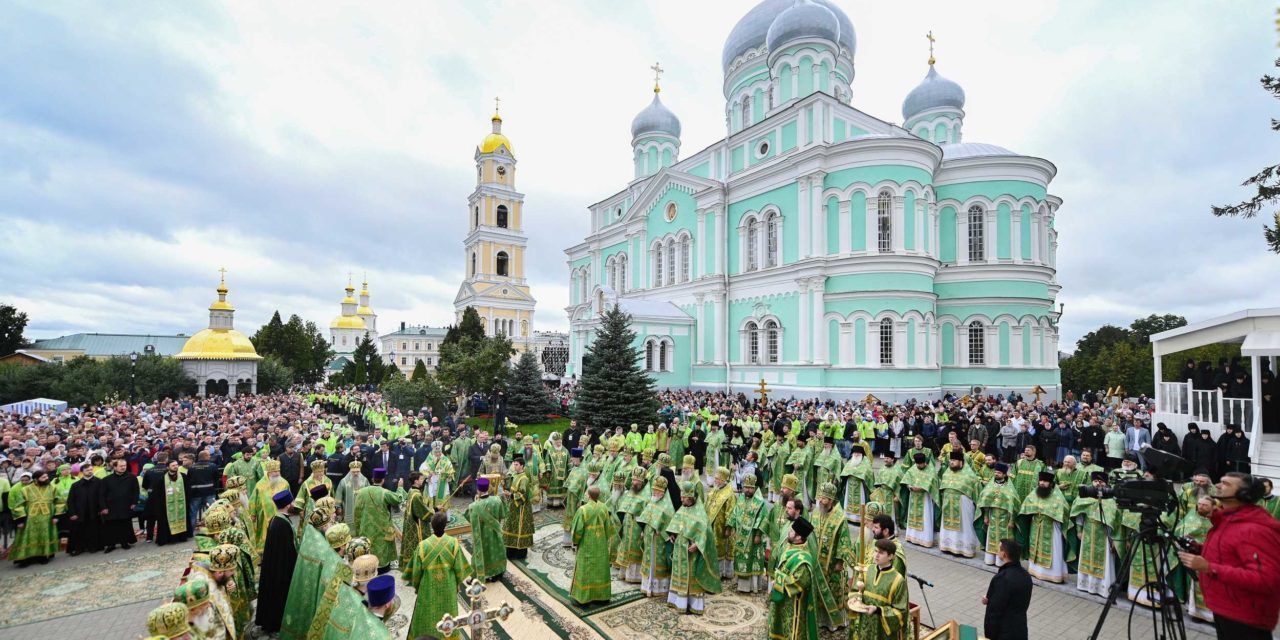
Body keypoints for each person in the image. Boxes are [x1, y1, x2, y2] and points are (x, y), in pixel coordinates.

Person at [1177, 471, 1280, 638]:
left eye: (1225, 484)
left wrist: (1208, 567)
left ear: (1243, 494)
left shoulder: (1255, 529)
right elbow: (1228, 554)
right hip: (1227, 609)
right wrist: (1199, 549)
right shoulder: (1229, 520)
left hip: (1245, 617)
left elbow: (1266, 579)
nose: (1218, 485)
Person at [404, 512, 471, 640]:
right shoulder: (453, 543)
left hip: (428, 588)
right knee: (448, 615)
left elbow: (416, 573)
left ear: (431, 526)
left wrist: (418, 586)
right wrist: (457, 583)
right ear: (446, 525)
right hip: (448, 587)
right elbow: (460, 570)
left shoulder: (423, 546)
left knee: (427, 614)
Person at [666, 480, 722, 614]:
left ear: (690, 498)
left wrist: (697, 544)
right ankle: (679, 602)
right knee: (680, 576)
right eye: (681, 496)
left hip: (691, 553)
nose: (681, 499)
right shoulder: (682, 508)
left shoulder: (700, 513)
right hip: (680, 550)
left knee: (691, 578)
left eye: (683, 497)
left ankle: (694, 605)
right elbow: (676, 523)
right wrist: (673, 534)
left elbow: (706, 533)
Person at [766, 517, 819, 640]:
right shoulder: (790, 546)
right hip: (783, 599)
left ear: (799, 537)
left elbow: (800, 582)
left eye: (791, 531)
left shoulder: (804, 560)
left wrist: (778, 580)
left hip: (794, 604)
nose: (788, 532)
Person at [255, 489, 299, 634]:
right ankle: (275, 624)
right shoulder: (282, 525)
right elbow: (287, 552)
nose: (293, 504)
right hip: (280, 571)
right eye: (291, 502)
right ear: (287, 505)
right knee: (278, 597)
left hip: (275, 568)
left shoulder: (277, 519)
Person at [849, 538, 911, 640]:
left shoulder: (898, 580)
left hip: (883, 629)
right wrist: (855, 598)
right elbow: (856, 589)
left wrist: (877, 610)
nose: (876, 555)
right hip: (865, 623)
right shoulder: (866, 570)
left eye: (881, 553)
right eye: (875, 551)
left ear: (891, 556)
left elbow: (901, 611)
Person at [1070, 471, 1119, 597]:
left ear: (1106, 483)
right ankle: (1085, 585)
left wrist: (1115, 540)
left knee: (1105, 561)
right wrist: (1079, 530)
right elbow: (1080, 515)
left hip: (1104, 535)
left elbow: (1116, 522)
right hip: (1088, 531)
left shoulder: (1111, 500)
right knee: (1086, 558)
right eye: (1096, 481)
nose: (1098, 484)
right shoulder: (1085, 496)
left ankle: (1103, 588)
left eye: (1101, 481)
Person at [1017, 471, 1072, 583]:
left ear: (1051, 484)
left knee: (1054, 549)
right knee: (1035, 547)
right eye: (1040, 481)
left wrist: (1053, 515)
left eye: (1045, 481)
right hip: (1035, 526)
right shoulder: (1034, 493)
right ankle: (1035, 571)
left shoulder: (1057, 496)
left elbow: (1065, 511)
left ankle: (1053, 574)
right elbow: (1025, 507)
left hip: (1051, 527)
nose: (1042, 483)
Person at [812, 482, 851, 631]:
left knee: (832, 593)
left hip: (833, 564)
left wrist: (840, 561)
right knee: (818, 592)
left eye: (824, 498)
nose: (820, 500)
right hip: (817, 562)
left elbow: (844, 541)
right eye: (820, 497)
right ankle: (820, 619)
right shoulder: (816, 512)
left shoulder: (840, 518)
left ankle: (834, 622)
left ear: (831, 500)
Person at [569, 486, 617, 604]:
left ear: (588, 495)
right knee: (600, 569)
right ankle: (602, 597)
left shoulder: (583, 510)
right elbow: (608, 529)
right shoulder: (604, 507)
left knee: (585, 569)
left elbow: (577, 531)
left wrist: (575, 542)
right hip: (600, 545)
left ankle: (583, 598)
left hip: (586, 545)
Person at [1171, 495, 1214, 622]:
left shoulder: (1216, 520)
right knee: (1195, 585)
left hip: (1211, 558)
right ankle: (1197, 613)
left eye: (1205, 505)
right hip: (1195, 556)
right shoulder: (1191, 516)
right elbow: (1180, 529)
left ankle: (1212, 617)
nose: (1201, 507)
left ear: (1213, 507)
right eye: (1199, 504)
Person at [354, 468, 406, 573]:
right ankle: (382, 567)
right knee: (381, 547)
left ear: (373, 479)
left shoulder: (361, 492)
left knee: (368, 545)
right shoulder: (385, 492)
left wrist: (358, 527)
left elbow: (357, 511)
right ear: (383, 480)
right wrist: (400, 487)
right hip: (382, 527)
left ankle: (369, 566)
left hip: (365, 526)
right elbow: (398, 499)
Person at [982, 539, 1032, 640]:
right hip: (1020, 628)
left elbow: (995, 611)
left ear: (1004, 554)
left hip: (1004, 632)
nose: (997, 552)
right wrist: (990, 599)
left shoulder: (1003, 578)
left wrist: (989, 635)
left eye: (999, 549)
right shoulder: (1026, 575)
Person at [727, 474, 768, 593]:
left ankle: (752, 586)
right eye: (745, 487)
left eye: (750, 488)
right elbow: (735, 513)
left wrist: (758, 535)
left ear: (755, 488)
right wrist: (729, 526)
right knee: (740, 559)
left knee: (751, 560)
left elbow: (763, 519)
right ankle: (740, 584)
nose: (747, 490)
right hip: (740, 535)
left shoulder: (760, 502)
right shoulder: (741, 498)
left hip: (752, 538)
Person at [10, 469, 59, 567]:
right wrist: (20, 519)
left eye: (46, 476)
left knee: (44, 536)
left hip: (47, 518)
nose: (46, 479)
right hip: (29, 519)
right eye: (43, 477)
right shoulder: (25, 490)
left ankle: (44, 556)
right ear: (36, 479)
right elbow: (18, 505)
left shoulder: (52, 488)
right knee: (27, 538)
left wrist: (56, 516)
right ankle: (25, 559)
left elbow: (59, 502)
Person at [938, 449, 982, 558]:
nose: (951, 462)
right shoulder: (947, 473)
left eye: (954, 460)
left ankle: (965, 549)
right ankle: (947, 546)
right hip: (948, 503)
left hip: (963, 505)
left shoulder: (970, 476)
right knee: (947, 526)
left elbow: (977, 492)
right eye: (950, 460)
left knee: (964, 526)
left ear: (961, 462)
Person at [976, 462, 1022, 566]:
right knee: (991, 538)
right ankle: (990, 559)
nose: (996, 474)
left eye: (999, 473)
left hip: (1005, 519)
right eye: (995, 472)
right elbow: (985, 501)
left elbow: (1014, 505)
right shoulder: (990, 485)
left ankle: (1002, 562)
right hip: (992, 516)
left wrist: (1012, 521)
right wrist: (986, 516)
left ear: (1004, 475)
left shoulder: (1010, 488)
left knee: (1004, 540)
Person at [638, 475, 676, 597]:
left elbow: (669, 525)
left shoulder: (667, 506)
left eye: (657, 491)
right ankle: (647, 586)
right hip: (649, 537)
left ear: (663, 492)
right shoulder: (652, 501)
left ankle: (659, 588)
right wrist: (643, 530)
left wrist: (662, 532)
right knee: (648, 561)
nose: (654, 493)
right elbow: (646, 517)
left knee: (657, 562)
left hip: (658, 540)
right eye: (654, 490)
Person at [464, 477, 508, 581]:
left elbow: (468, 517)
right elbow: (503, 514)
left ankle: (483, 573)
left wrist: (477, 501)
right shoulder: (497, 500)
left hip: (482, 535)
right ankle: (498, 572)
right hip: (495, 533)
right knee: (497, 551)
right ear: (488, 488)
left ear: (478, 490)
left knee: (484, 553)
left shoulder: (473, 506)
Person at [614, 467, 649, 583]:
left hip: (638, 528)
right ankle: (624, 572)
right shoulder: (631, 491)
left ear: (642, 481)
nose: (634, 483)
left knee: (635, 549)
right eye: (633, 480)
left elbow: (648, 514)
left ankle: (634, 576)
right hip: (627, 524)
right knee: (625, 547)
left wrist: (644, 529)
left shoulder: (647, 495)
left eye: (637, 481)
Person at [249, 459, 291, 555]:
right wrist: (253, 513)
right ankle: (264, 553)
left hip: (280, 513)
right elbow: (253, 500)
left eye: (278, 471)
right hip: (263, 515)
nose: (277, 473)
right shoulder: (260, 484)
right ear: (269, 472)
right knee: (264, 535)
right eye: (274, 471)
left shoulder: (284, 483)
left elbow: (289, 497)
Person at [900, 452, 940, 548]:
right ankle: (912, 537)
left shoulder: (931, 470)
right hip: (914, 497)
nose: (919, 466)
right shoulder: (913, 468)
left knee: (925, 517)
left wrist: (922, 488)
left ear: (924, 462)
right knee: (912, 516)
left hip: (925, 498)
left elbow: (934, 484)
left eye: (920, 464)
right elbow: (906, 479)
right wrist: (909, 486)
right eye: (917, 464)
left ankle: (925, 540)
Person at [99, 458, 139, 552]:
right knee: (111, 526)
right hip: (111, 507)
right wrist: (103, 507)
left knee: (125, 525)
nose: (123, 468)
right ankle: (111, 545)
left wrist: (134, 502)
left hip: (126, 505)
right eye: (121, 466)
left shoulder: (131, 477)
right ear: (115, 467)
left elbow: (136, 491)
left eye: (124, 466)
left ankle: (125, 542)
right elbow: (102, 494)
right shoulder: (106, 480)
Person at [704, 467, 737, 579]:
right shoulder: (715, 490)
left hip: (722, 528)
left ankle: (722, 572)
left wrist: (728, 528)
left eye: (717, 479)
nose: (715, 480)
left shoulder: (729, 494)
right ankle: (711, 570)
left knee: (721, 549)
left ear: (723, 480)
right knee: (712, 547)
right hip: (710, 525)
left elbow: (731, 513)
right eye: (715, 478)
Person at [150, 459, 191, 546]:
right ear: (168, 467)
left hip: (181, 504)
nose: (175, 466)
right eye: (173, 465)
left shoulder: (183, 476)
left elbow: (188, 490)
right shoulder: (162, 479)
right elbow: (158, 493)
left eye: (176, 465)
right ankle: (169, 539)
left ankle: (182, 537)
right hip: (167, 505)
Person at [64, 463, 101, 555]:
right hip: (80, 512)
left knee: (93, 530)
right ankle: (79, 548)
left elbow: (102, 497)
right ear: (82, 472)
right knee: (79, 531)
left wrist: (102, 508)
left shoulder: (99, 482)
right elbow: (70, 501)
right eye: (87, 470)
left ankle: (93, 547)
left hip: (94, 511)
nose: (90, 471)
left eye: (91, 470)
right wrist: (72, 513)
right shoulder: (76, 485)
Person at [503, 454, 535, 559]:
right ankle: (510, 551)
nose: (514, 466)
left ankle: (520, 553)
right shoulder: (515, 475)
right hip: (513, 507)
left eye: (516, 465)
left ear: (522, 466)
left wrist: (511, 495)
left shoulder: (524, 479)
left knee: (519, 529)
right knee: (511, 527)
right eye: (514, 464)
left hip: (521, 509)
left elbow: (523, 495)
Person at [398, 471, 431, 571]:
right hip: (416, 524)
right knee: (418, 544)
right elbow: (422, 512)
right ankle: (418, 565)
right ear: (416, 481)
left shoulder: (411, 490)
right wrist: (435, 510)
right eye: (421, 479)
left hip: (410, 521)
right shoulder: (416, 495)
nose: (423, 480)